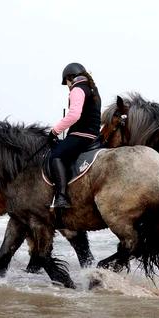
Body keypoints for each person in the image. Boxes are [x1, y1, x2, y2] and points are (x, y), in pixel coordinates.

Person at [48, 63, 101, 213]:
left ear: (70, 78)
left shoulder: (77, 89)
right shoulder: (92, 89)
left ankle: (61, 197)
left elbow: (74, 115)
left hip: (81, 135)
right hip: (94, 136)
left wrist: (54, 132)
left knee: (56, 155)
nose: (68, 87)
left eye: (67, 84)